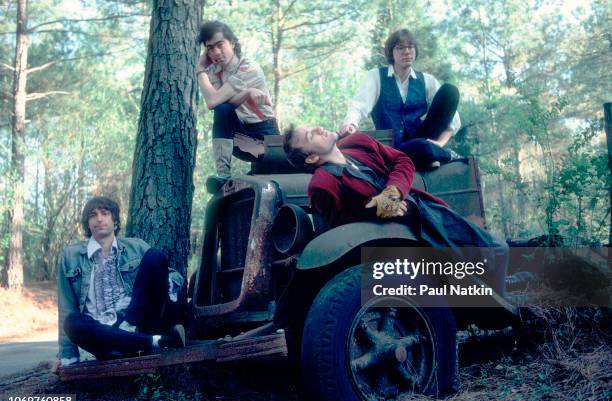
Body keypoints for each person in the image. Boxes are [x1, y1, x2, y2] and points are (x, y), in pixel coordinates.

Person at [283, 126, 509, 296]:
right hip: (404, 237)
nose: (318, 129)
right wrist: (377, 208)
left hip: (426, 210)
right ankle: (495, 314)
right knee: (483, 261)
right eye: (311, 136)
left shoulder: (359, 142)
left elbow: (403, 160)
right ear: (312, 157)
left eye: (312, 126)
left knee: (497, 250)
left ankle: (500, 304)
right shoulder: (322, 184)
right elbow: (337, 227)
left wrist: (392, 192)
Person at [56, 196, 187, 369]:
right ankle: (153, 343)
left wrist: (160, 282)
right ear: (88, 223)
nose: (99, 219)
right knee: (72, 322)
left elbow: (175, 276)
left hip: (137, 322)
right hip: (101, 333)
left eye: (105, 213)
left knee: (155, 256)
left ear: (115, 220)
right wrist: (68, 355)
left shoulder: (136, 246)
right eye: (93, 215)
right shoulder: (69, 256)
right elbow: (66, 306)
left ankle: (130, 338)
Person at [338, 29, 461, 170]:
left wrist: (439, 143)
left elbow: (453, 119)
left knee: (450, 91)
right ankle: (441, 155)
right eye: (400, 48)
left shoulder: (427, 80)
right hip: (391, 149)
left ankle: (434, 151)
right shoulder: (376, 77)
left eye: (410, 47)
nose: (407, 52)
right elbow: (359, 106)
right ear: (391, 52)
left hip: (422, 139)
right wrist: (351, 124)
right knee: (422, 147)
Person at [196, 21, 279, 186]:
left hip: (265, 142)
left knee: (223, 107)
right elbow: (219, 102)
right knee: (224, 108)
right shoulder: (215, 72)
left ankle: (226, 177)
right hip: (240, 139)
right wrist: (246, 94)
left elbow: (213, 101)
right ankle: (223, 176)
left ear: (232, 43)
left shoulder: (248, 67)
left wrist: (199, 70)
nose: (216, 52)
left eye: (220, 45)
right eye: (210, 48)